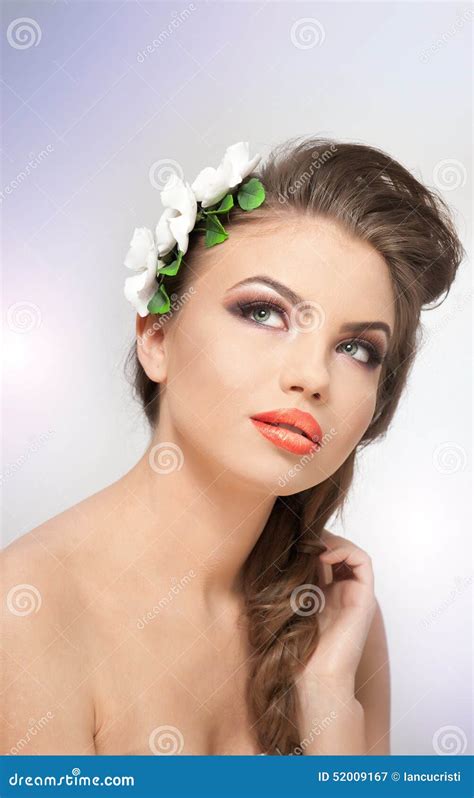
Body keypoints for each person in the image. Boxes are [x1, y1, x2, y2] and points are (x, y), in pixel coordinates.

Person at [1, 138, 464, 756]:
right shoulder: (28, 613)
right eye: (264, 313)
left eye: (356, 349)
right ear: (156, 336)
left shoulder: (339, 620)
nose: (313, 377)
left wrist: (328, 701)